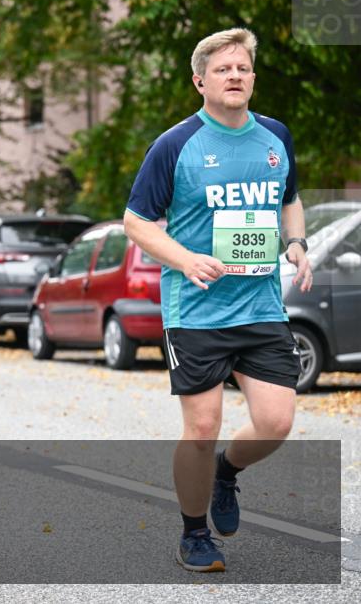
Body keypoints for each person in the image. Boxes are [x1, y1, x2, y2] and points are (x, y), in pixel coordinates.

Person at [123, 28, 312, 573]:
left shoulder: (275, 137)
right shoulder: (176, 144)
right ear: (199, 80)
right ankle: (194, 532)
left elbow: (290, 200)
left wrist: (295, 243)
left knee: (276, 423)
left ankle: (226, 473)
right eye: (224, 69)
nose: (235, 76)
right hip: (196, 311)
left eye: (243, 68)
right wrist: (183, 259)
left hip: (260, 307)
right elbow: (136, 222)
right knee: (201, 428)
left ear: (253, 78)